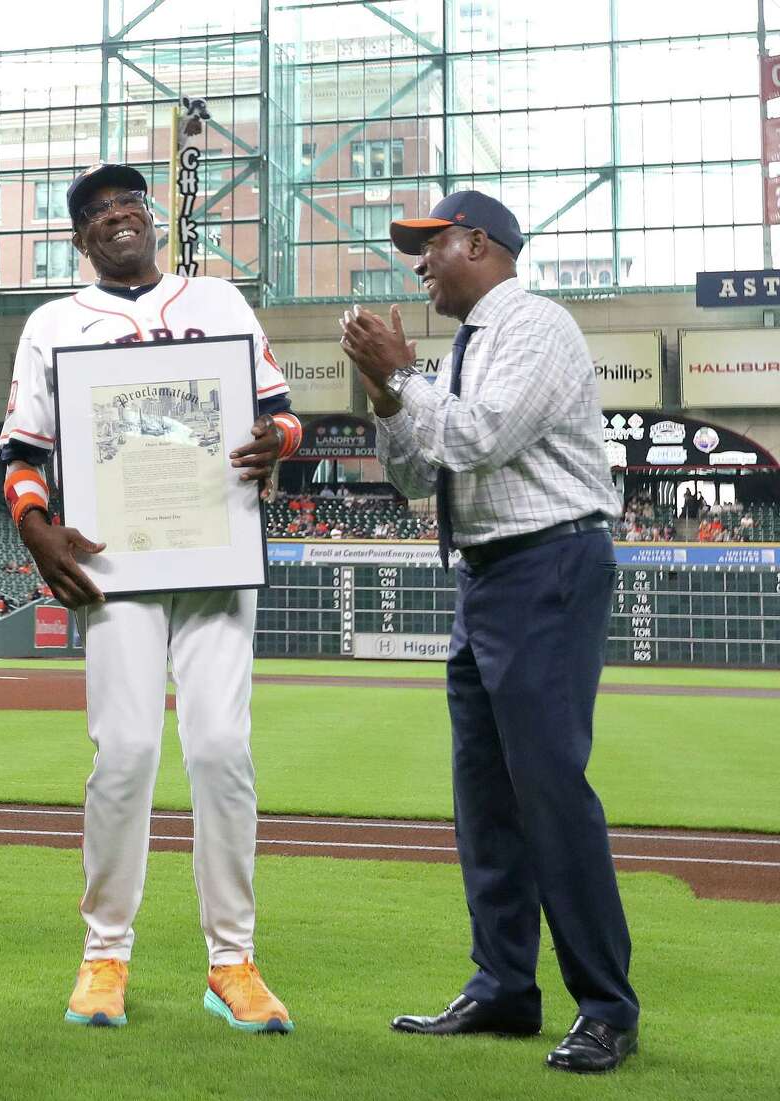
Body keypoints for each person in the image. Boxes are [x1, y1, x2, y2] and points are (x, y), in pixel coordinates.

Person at [0, 162, 303, 1034]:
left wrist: (272, 440)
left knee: (219, 749)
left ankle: (232, 961)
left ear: (154, 218)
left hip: (212, 550)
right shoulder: (54, 322)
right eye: (95, 212)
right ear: (79, 238)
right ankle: (105, 955)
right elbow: (22, 453)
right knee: (126, 751)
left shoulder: (221, 304)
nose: (116, 216)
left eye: (128, 202)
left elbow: (284, 415)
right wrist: (34, 523)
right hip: (115, 561)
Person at [339, 190, 638, 1073]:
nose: (418, 264)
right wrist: (388, 393)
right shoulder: (468, 346)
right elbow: (410, 474)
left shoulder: (536, 323)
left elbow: (479, 437)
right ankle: (505, 984)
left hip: (547, 562)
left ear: (479, 242)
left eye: (431, 246)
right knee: (486, 798)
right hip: (488, 575)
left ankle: (607, 1007)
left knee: (547, 787)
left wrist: (407, 376)